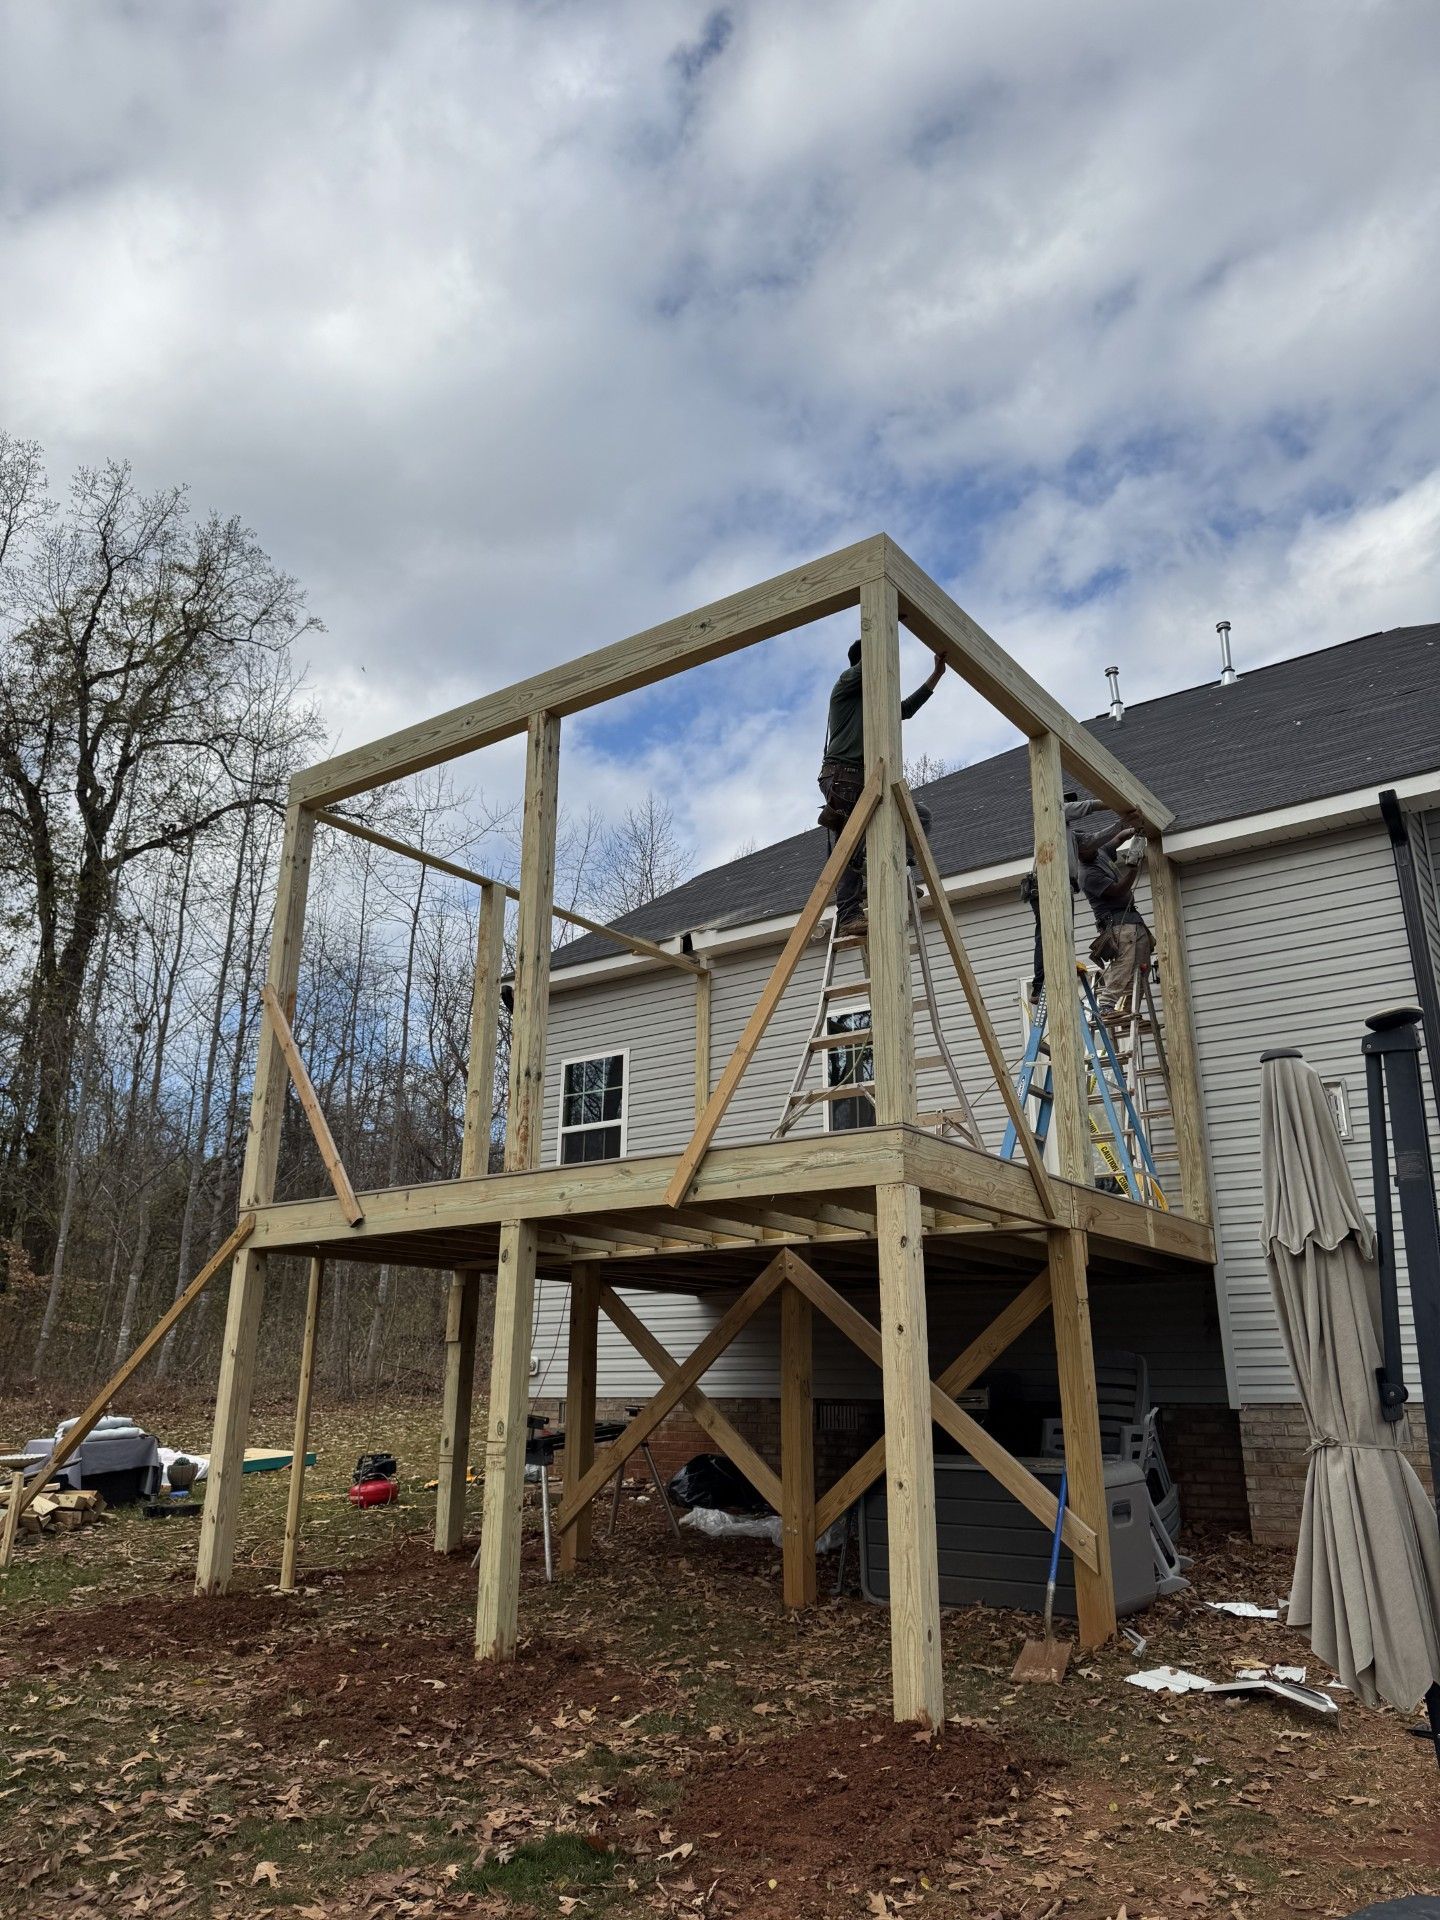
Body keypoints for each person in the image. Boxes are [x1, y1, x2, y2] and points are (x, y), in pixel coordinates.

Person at [816, 639, 945, 933]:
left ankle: (894, 875)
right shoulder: (846, 687)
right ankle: (848, 914)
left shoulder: (876, 706)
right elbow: (871, 661)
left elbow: (907, 709)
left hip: (866, 780)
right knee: (850, 842)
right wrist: (888, 624)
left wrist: (936, 674)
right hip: (843, 777)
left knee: (919, 815)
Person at [1021, 790, 1104, 1000]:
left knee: (1063, 934)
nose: (1070, 807)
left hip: (1063, 886)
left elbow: (1094, 839)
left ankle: (1058, 977)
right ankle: (1040, 985)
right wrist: (1115, 803)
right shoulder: (1052, 812)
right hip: (1047, 885)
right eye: (1068, 803)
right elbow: (1083, 807)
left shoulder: (1068, 834)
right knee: (1047, 935)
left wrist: (1123, 827)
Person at [1078, 812, 1152, 1015]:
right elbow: (1117, 890)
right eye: (1088, 847)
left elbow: (1118, 838)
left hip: (1133, 921)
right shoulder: (1087, 875)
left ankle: (1130, 1009)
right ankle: (1107, 1005)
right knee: (1124, 964)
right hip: (1117, 925)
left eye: (1093, 843)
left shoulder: (1098, 851)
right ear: (1078, 853)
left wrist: (1132, 831)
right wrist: (1134, 870)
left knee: (1142, 967)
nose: (1093, 847)